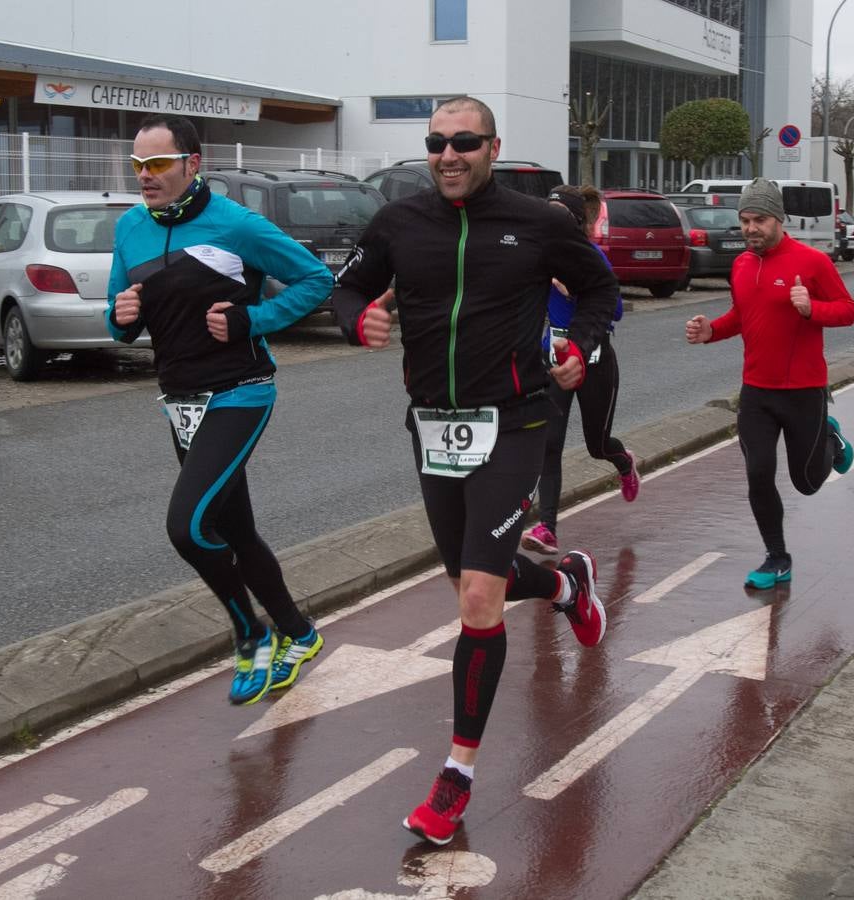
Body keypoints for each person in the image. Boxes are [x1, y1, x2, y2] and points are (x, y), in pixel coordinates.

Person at [330, 96, 617, 846]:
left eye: (463, 141)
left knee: (479, 602)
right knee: (467, 583)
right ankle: (563, 581)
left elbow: (599, 292)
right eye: (435, 142)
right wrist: (357, 318)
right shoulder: (399, 223)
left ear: (492, 147)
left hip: (515, 423)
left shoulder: (540, 222)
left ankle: (455, 776)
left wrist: (578, 349)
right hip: (432, 428)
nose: (447, 154)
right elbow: (347, 286)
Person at [107, 114, 334, 707]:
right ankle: (300, 633)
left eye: (157, 164)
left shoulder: (236, 225)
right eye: (138, 165)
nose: (145, 176)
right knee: (234, 530)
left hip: (240, 390)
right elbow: (118, 315)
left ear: (193, 163)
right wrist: (120, 316)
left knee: (187, 528)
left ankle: (250, 630)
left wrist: (251, 320)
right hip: (180, 401)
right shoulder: (130, 228)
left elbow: (316, 279)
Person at [683, 178, 854, 591]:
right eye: (744, 221)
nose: (750, 229)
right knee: (759, 473)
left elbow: (848, 310)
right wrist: (711, 331)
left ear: (778, 219)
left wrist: (811, 308)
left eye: (759, 219)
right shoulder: (742, 265)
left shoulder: (813, 262)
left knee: (808, 483)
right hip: (757, 392)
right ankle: (777, 558)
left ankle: (830, 438)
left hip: (803, 390)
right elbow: (742, 317)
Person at [521, 185, 639, 557]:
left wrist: (573, 290)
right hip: (554, 360)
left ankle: (624, 462)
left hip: (595, 359)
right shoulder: (538, 256)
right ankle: (547, 528)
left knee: (596, 444)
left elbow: (616, 309)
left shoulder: (591, 257)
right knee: (548, 443)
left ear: (574, 222)